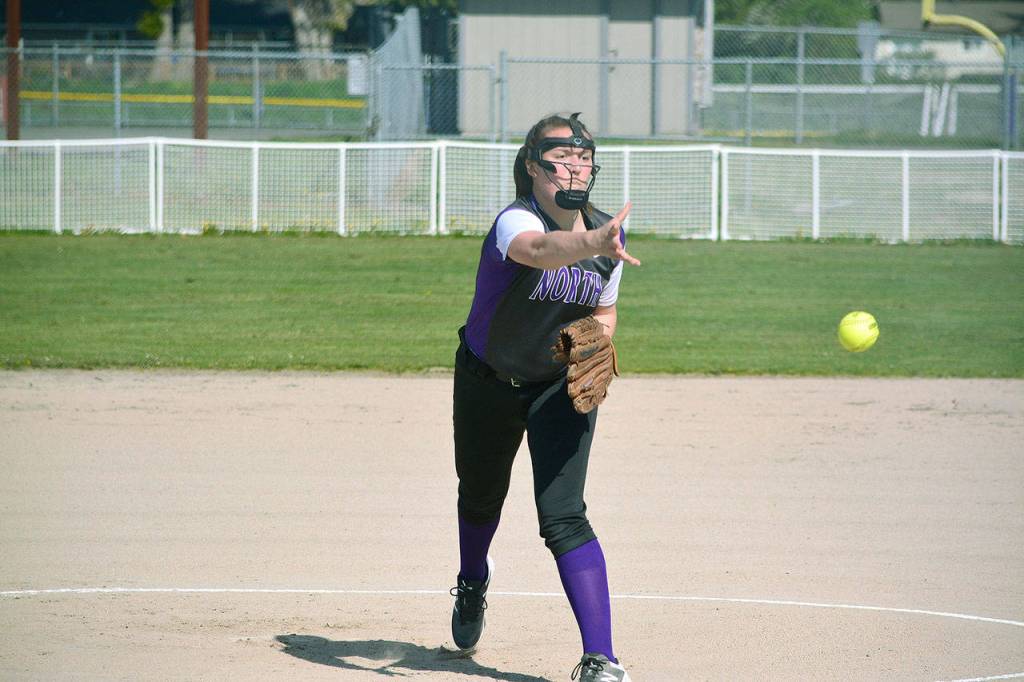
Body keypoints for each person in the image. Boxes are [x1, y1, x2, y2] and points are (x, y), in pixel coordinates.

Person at [449, 112, 640, 682]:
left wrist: (598, 340)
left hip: (558, 384)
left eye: (583, 156)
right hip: (488, 380)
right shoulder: (515, 221)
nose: (575, 165)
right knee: (481, 498)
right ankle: (472, 582)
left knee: (564, 515)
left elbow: (603, 310)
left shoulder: (611, 237)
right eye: (561, 156)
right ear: (533, 166)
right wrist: (590, 240)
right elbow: (539, 251)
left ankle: (601, 659)